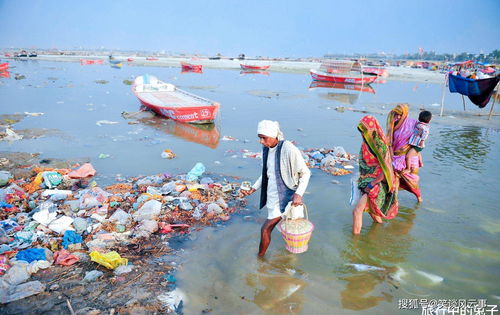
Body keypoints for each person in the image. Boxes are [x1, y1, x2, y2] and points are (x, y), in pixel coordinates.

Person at [240, 120, 311, 257]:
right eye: (259, 138)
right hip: (273, 196)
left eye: (264, 138)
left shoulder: (288, 149)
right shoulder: (267, 149)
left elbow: (306, 173)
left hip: (285, 196)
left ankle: (260, 259)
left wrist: (299, 194)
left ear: (273, 135)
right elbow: (267, 174)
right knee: (287, 229)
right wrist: (253, 189)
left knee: (265, 229)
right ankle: (290, 259)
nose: (261, 141)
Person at [352, 115, 398, 235]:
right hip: (366, 180)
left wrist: (372, 184)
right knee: (373, 213)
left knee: (357, 212)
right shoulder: (365, 144)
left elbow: (386, 169)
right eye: (361, 130)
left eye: (365, 130)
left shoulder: (380, 146)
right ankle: (382, 234)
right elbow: (365, 164)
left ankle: (354, 245)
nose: (363, 133)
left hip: (377, 182)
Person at [386, 104, 422, 202]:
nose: (397, 117)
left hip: (410, 158)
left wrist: (418, 154)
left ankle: (419, 198)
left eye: (400, 115)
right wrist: (391, 157)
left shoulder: (414, 124)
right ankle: (395, 199)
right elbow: (389, 143)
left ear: (405, 114)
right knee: (394, 178)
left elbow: (419, 140)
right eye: (396, 114)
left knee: (411, 181)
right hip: (396, 157)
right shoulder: (392, 125)